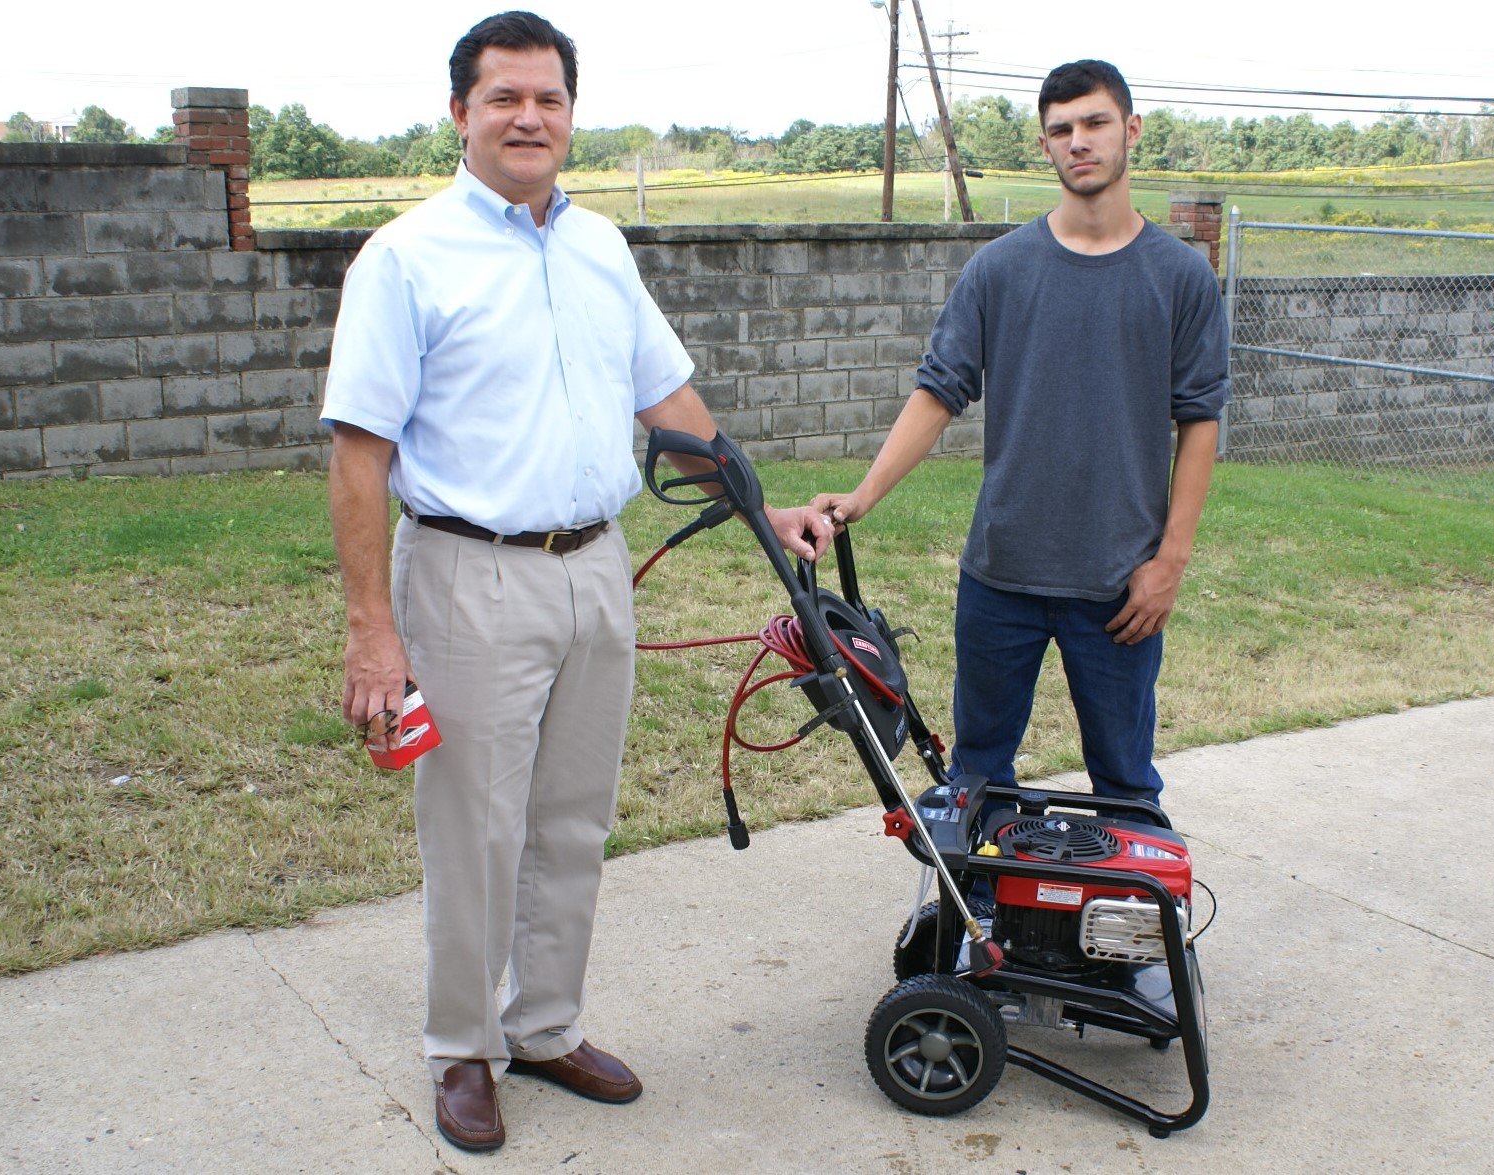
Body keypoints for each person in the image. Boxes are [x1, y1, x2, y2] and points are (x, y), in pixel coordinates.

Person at [321, 11, 829, 1153]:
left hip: (594, 571)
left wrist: (764, 502)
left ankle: (544, 1024)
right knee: (475, 830)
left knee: (570, 821)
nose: (527, 117)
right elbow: (359, 455)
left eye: (547, 98)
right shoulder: (404, 258)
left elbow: (670, 403)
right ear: (459, 112)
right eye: (503, 97)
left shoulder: (601, 246)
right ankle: (463, 1047)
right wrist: (371, 633)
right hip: (465, 575)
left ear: (569, 115)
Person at [812, 59, 1229, 819]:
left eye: (1095, 123)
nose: (1079, 142)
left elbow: (1198, 419)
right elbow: (938, 390)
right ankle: (978, 928)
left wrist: (1168, 562)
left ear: (1129, 130)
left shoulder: (1179, 278)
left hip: (1119, 586)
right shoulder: (998, 270)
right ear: (1044, 146)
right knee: (976, 779)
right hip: (1001, 576)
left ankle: (1121, 932)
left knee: (1126, 786)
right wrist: (861, 496)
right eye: (1061, 130)